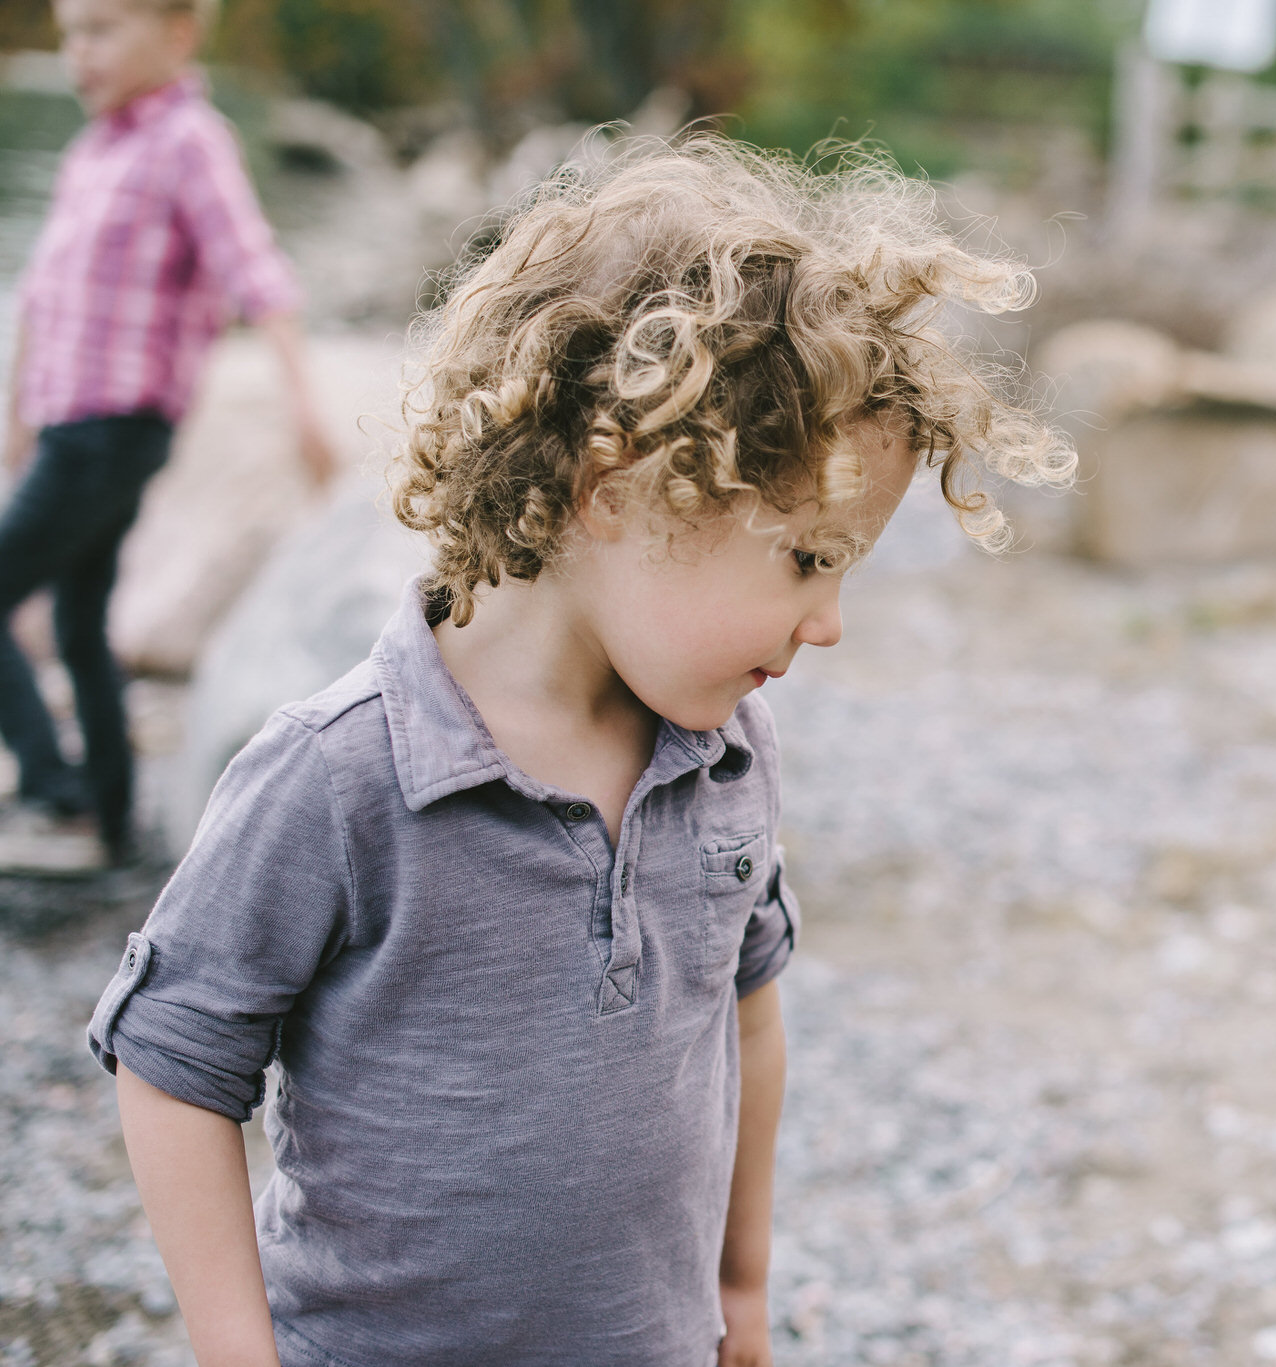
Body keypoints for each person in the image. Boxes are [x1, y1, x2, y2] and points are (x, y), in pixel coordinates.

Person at [84, 138, 1073, 1367]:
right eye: (808, 558)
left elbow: (745, 1013)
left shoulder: (723, 762)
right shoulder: (340, 776)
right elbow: (175, 1063)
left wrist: (742, 1285)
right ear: (618, 490)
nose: (827, 622)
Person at [2, 0, 334, 864]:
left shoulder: (189, 140)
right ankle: (110, 817)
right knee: (78, 618)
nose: (80, 53)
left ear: (179, 34)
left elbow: (255, 269)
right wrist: (15, 415)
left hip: (116, 428)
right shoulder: (92, 151)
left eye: (103, 30)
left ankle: (56, 792)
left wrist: (305, 403)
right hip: (66, 423)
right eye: (70, 33)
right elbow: (40, 296)